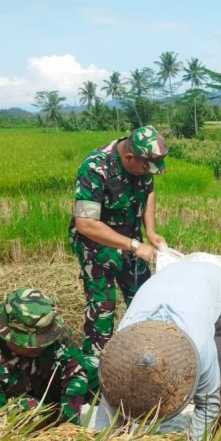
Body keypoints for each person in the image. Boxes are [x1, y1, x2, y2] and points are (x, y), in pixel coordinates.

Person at [94, 261, 221, 441]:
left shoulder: (200, 346)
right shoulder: (119, 354)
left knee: (220, 387)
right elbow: (109, 412)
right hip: (169, 284)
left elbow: (208, 404)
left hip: (219, 289)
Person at [69, 125, 169, 356]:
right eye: (145, 168)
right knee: (102, 314)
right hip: (96, 247)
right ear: (128, 157)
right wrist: (134, 245)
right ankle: (94, 376)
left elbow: (149, 193)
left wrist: (151, 232)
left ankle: (141, 360)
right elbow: (86, 224)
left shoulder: (143, 165)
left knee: (145, 302)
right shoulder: (95, 168)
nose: (148, 173)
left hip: (131, 243)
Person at [0, 288, 95, 425]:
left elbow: (75, 368)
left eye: (44, 340)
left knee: (97, 369)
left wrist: (70, 420)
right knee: (34, 414)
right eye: (30, 343)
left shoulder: (49, 328)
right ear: (8, 336)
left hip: (30, 380)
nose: (39, 346)